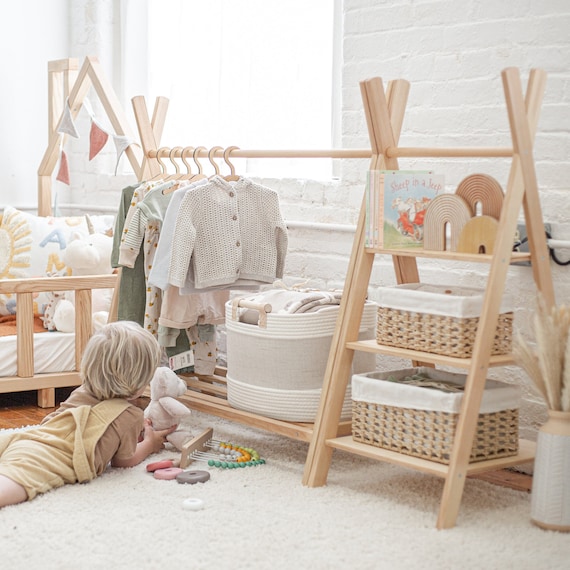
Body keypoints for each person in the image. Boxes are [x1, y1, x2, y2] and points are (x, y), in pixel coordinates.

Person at [0, 320, 177, 508]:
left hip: (30, 440)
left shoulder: (82, 391)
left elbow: (51, 421)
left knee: (13, 466)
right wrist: (149, 444)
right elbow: (123, 462)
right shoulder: (131, 415)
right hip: (53, 458)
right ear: (139, 385)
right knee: (14, 483)